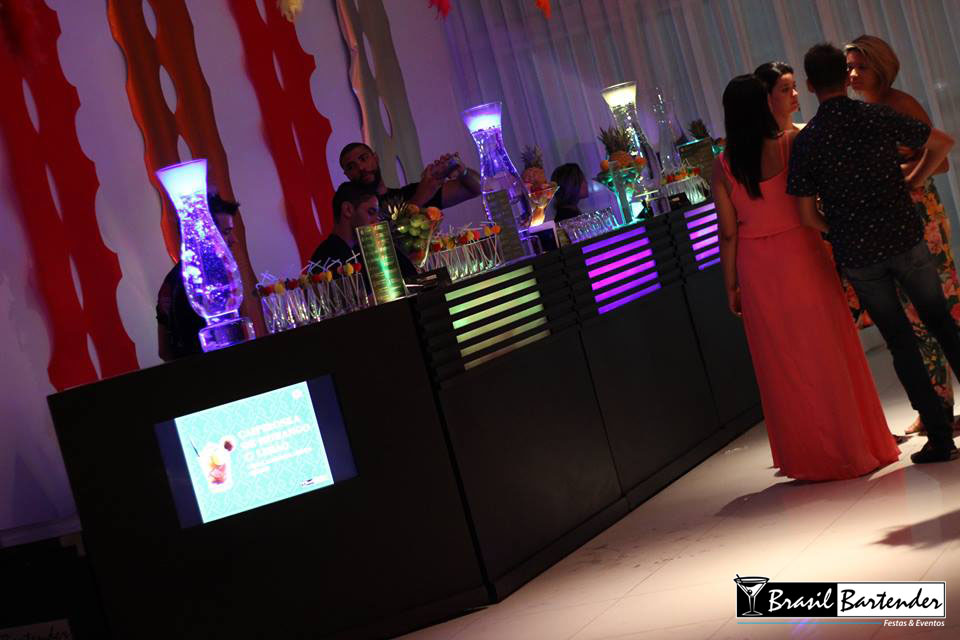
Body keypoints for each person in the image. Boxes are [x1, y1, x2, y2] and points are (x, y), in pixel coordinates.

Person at [713, 74, 898, 481]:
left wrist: (731, 284)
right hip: (802, 252)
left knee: (783, 363)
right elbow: (816, 198)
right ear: (763, 104)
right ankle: (857, 444)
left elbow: (727, 232)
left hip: (756, 267)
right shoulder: (790, 143)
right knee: (829, 347)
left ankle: (808, 457)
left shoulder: (723, 165)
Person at [787, 43, 957, 464]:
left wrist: (839, 229)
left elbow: (806, 215)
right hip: (904, 235)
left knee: (901, 342)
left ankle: (939, 438)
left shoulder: (808, 141)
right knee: (942, 324)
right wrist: (911, 181)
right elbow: (941, 144)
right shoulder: (876, 115)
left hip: (860, 254)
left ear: (809, 85)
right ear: (845, 79)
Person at [845, 34, 960, 436]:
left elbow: (941, 160)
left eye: (861, 66)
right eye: (849, 68)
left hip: (921, 217)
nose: (854, 75)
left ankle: (939, 407)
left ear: (881, 67)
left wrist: (902, 176)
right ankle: (937, 406)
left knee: (941, 308)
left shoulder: (899, 104)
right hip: (891, 222)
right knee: (915, 318)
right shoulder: (863, 111)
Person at [157, 192, 239, 361]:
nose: (234, 240)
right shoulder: (213, 280)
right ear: (204, 234)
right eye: (226, 232)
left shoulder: (171, 280)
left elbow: (164, 352)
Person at [309, 181, 418, 282]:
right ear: (348, 210)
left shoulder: (369, 250)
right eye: (371, 212)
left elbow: (412, 278)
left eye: (377, 215)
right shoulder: (324, 260)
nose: (376, 221)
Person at [339, 142, 482, 210]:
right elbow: (390, 239)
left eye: (363, 159)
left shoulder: (408, 193)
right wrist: (421, 197)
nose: (361, 168)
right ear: (347, 175)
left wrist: (461, 171)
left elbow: (476, 188)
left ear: (375, 158)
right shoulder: (356, 211)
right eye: (351, 167)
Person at [754, 61, 801, 133]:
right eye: (785, 89)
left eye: (794, 86)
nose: (795, 93)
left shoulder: (808, 131)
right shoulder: (764, 141)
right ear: (767, 96)